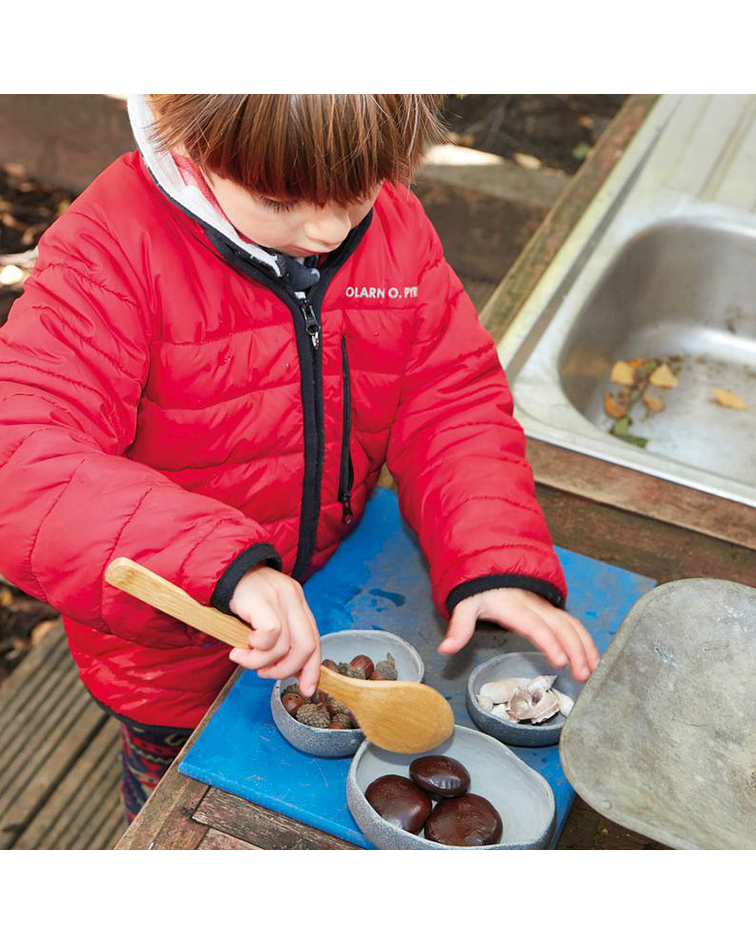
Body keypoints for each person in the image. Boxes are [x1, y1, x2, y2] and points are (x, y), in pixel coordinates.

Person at [0, 94, 599, 820]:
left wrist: (492, 558)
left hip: (339, 596)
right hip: (182, 656)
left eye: (357, 188)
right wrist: (220, 566)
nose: (326, 228)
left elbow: (447, 398)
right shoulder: (109, 254)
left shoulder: (395, 234)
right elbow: (23, 457)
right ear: (179, 130)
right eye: (280, 198)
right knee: (184, 803)